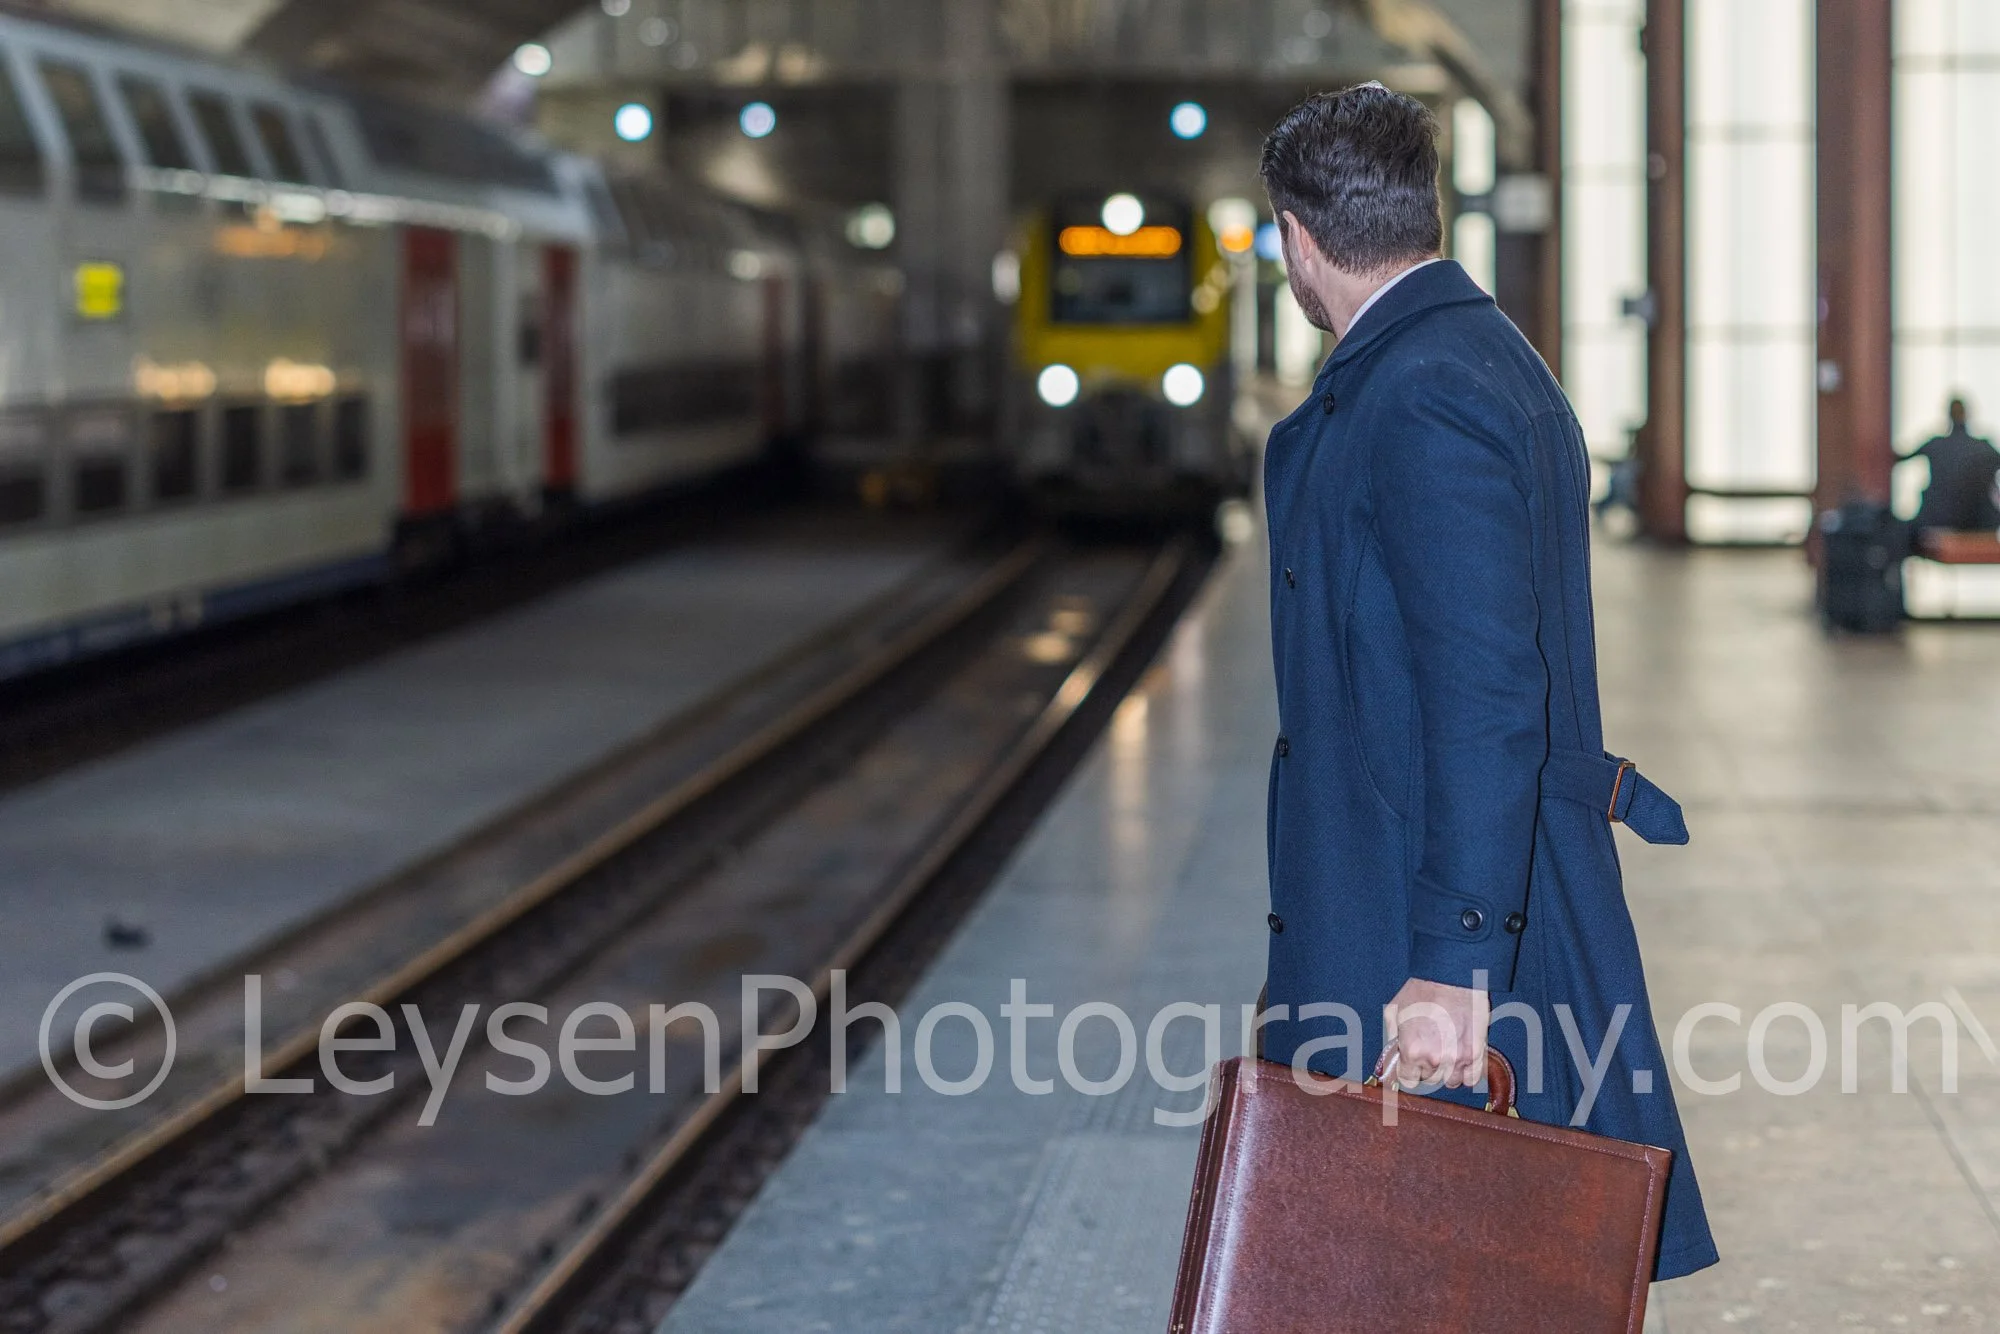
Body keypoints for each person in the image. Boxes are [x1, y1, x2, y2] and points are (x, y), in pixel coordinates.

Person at [1256, 84, 1718, 1280]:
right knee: (1447, 1264)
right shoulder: (1466, 358)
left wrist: (1453, 966)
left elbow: (1484, 689)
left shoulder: (1421, 392)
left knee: (1427, 1266)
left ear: (1297, 240)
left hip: (1436, 906)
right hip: (1448, 885)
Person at [1905, 397, 2000, 533]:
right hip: (1978, 526)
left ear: (1948, 415)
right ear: (1967, 415)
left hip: (1938, 522)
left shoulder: (1935, 445)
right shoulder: (1985, 448)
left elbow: (1900, 458)